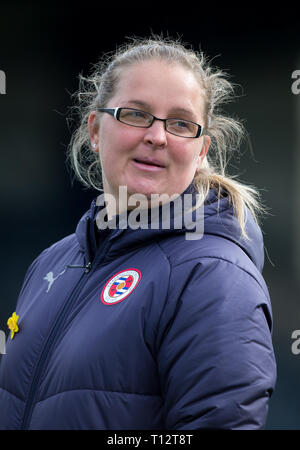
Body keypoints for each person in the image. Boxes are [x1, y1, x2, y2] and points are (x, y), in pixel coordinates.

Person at [0, 36, 276, 430]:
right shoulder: (53, 262)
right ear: (95, 130)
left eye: (181, 123)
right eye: (136, 114)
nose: (157, 136)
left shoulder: (213, 274)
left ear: (201, 150)